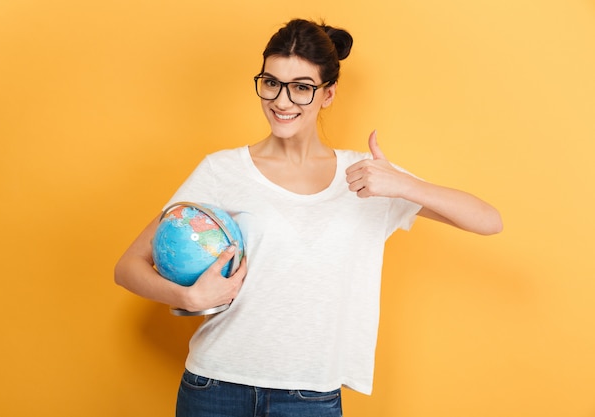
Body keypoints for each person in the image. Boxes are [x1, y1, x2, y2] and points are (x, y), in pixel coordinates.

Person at [114, 18, 502, 417]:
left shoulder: (367, 176)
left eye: (301, 87)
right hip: (215, 386)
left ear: (328, 94)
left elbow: (489, 221)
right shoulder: (222, 170)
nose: (282, 102)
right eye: (271, 83)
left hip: (309, 396)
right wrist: (188, 297)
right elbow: (128, 267)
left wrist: (403, 184)